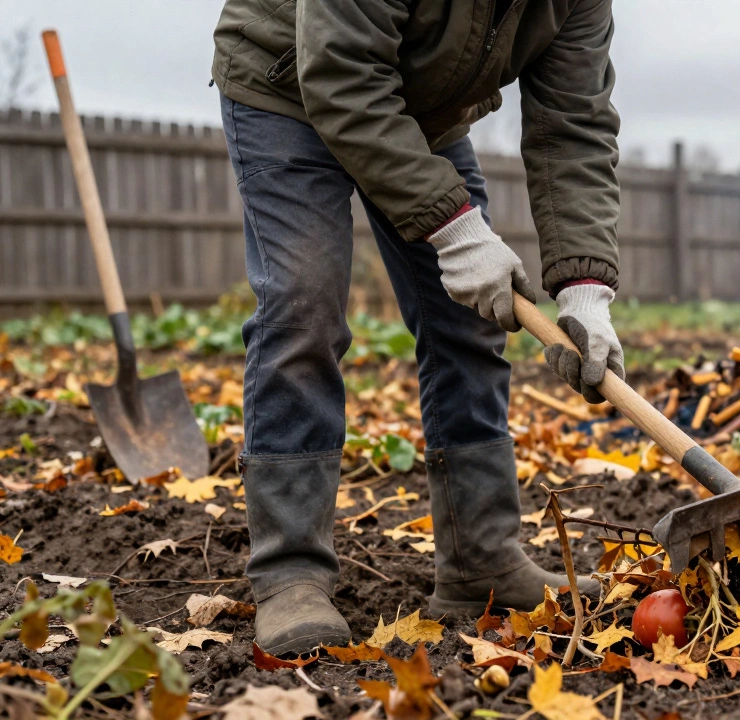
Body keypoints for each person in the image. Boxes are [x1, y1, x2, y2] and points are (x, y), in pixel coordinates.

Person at [211, 0, 624, 656]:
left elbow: (574, 125)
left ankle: (480, 561)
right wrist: (455, 228)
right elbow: (341, 77)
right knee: (302, 305)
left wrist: (585, 284)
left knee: (470, 313)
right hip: (287, 83)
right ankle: (291, 573)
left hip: (416, 109)